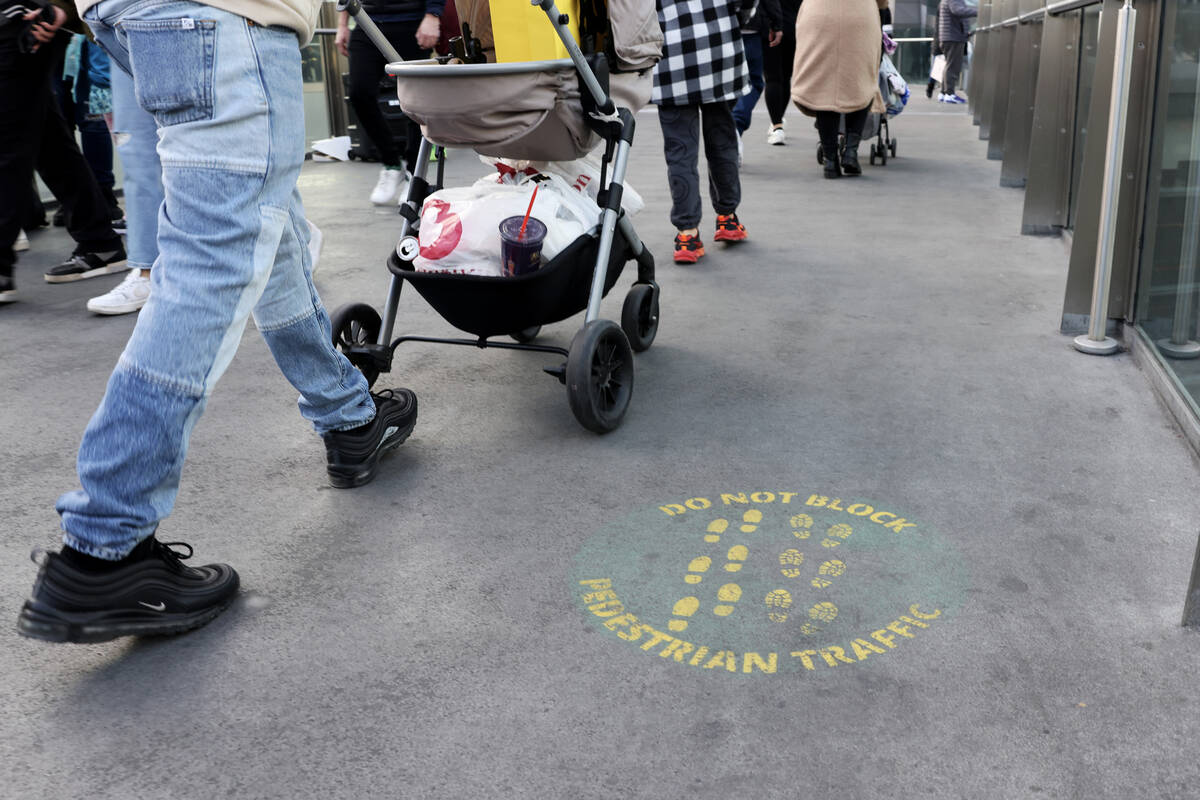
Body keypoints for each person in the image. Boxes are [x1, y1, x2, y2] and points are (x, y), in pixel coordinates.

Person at [17, 0, 418, 644]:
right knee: (213, 265)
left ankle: (349, 417)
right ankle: (103, 549)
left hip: (129, 16)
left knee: (266, 216)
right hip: (225, 20)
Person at [0, 0, 126, 304]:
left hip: (17, 22)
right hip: (19, 21)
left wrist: (58, 6)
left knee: (9, 147)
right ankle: (99, 240)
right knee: (49, 143)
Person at [653, 0, 750, 265]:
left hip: (669, 52)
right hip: (719, 45)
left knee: (679, 149)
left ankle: (687, 234)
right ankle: (727, 218)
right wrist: (738, 17)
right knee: (722, 139)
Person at [336, 0, 443, 206]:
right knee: (359, 93)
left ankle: (414, 175)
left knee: (414, 102)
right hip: (367, 22)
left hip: (412, 21)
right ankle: (392, 163)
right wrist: (342, 25)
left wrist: (433, 15)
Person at [790, 0, 891, 178]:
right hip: (860, 16)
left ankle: (830, 160)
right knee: (861, 83)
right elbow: (882, 2)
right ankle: (851, 151)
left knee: (823, 86)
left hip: (818, 15)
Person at [731, 0, 783, 163]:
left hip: (720, 28)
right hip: (751, 28)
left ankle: (728, 128)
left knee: (726, 84)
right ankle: (736, 125)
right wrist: (777, 23)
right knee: (753, 82)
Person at [763, 0, 800, 146]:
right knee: (785, 78)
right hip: (794, 26)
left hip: (772, 27)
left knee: (772, 78)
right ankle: (777, 123)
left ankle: (777, 125)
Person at [938, 0, 975, 104]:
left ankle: (944, 92)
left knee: (949, 65)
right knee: (953, 67)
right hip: (954, 38)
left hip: (950, 37)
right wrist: (979, 11)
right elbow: (958, 11)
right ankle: (949, 94)